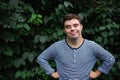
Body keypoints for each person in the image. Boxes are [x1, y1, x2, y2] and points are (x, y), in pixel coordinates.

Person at [37, 13, 115, 80]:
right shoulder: (57, 47)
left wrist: (97, 73)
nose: (72, 29)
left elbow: (110, 59)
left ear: (81, 27)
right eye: (68, 27)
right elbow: (41, 58)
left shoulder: (92, 46)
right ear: (64, 30)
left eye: (75, 25)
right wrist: (51, 73)